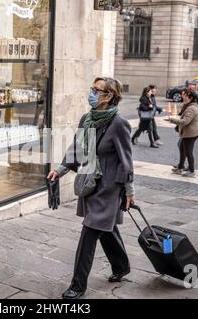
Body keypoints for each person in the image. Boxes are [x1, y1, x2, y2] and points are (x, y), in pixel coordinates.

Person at [47, 77, 135, 299]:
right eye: (92, 89)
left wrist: (130, 191)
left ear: (109, 96)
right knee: (105, 228)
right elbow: (77, 148)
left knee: (90, 232)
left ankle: (77, 286)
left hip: (109, 189)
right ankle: (121, 266)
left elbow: (127, 161)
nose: (92, 93)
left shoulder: (119, 124)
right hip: (90, 184)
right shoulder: (87, 119)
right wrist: (60, 170)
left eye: (98, 90)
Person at [165, 89, 198, 177]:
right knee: (182, 147)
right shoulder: (188, 105)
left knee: (188, 152)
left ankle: (191, 171)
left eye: (184, 95)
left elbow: (185, 121)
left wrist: (171, 120)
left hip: (190, 134)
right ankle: (181, 167)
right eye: (183, 95)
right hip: (188, 132)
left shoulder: (191, 108)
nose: (182, 96)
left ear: (190, 97)